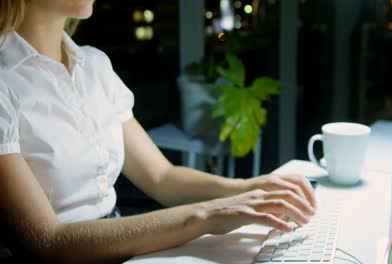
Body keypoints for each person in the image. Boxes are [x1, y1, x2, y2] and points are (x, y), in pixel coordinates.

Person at [0, 0, 316, 263]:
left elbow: (162, 178)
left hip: (127, 249)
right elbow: (49, 242)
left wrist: (248, 187)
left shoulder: (94, 66)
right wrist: (205, 216)